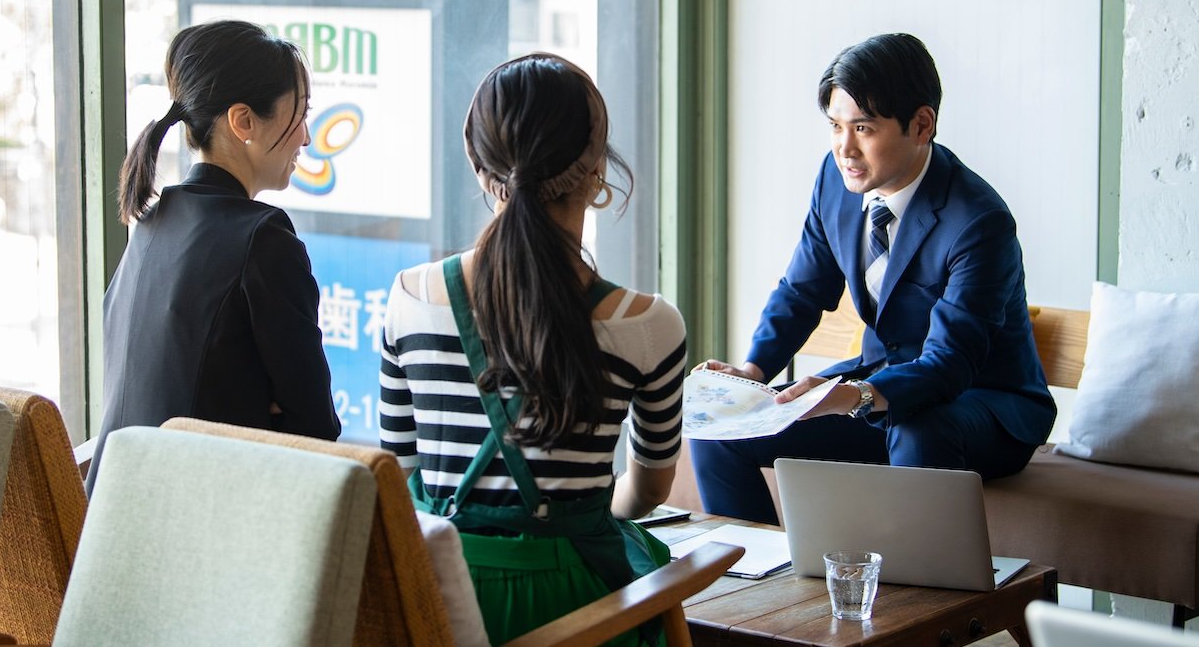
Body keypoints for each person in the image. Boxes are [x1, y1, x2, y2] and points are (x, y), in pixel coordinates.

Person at [378, 53, 686, 645]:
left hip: (436, 599)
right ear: (596, 172)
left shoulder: (409, 298)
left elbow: (404, 476)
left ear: (478, 165)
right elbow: (647, 492)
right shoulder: (648, 324)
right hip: (582, 610)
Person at [691, 33, 1055, 524]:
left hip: (983, 406)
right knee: (722, 430)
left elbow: (951, 363)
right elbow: (803, 290)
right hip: (882, 388)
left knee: (918, 429)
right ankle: (763, 581)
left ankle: (910, 600)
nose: (845, 148)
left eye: (863, 127)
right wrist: (756, 373)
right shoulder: (836, 182)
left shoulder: (978, 221)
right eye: (835, 126)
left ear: (921, 125)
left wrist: (856, 395)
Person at [87, 20, 341, 494]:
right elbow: (317, 428)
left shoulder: (150, 222)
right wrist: (258, 408)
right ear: (243, 121)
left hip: (109, 526)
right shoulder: (263, 237)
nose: (305, 137)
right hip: (196, 535)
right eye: (300, 114)